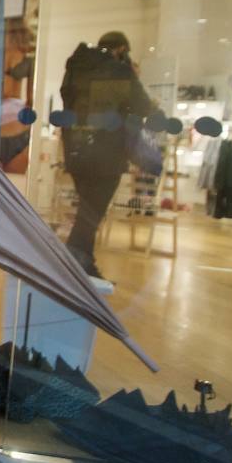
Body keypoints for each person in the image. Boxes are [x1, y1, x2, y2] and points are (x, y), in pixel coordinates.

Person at [58, 31, 154, 279]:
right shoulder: (120, 71)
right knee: (91, 215)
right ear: (121, 49)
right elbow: (143, 106)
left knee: (88, 212)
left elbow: (67, 101)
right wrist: (132, 76)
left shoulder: (77, 67)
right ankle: (72, 267)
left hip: (76, 150)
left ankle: (84, 266)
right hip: (107, 155)